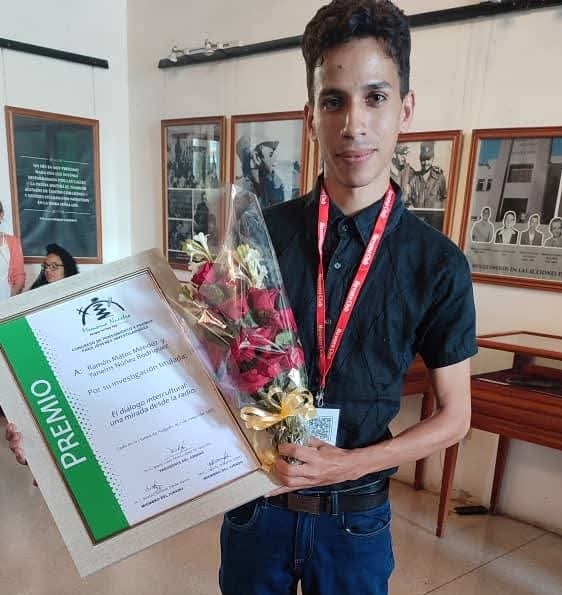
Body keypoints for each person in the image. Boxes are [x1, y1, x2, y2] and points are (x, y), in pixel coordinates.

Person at [7, 2, 476, 594]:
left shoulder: (437, 265)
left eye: (375, 97)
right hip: (257, 512)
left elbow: (455, 417)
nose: (354, 124)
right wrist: (48, 431)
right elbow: (183, 368)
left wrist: (350, 462)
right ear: (311, 115)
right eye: (334, 101)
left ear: (405, 109)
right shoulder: (257, 236)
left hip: (354, 521)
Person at [409, 141, 447, 209]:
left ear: (433, 158)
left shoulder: (440, 178)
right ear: (420, 159)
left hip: (434, 215)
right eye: (423, 159)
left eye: (428, 159)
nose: (426, 163)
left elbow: (445, 199)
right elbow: (409, 201)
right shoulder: (414, 179)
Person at [0, 200, 25, 299]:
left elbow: (19, 276)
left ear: (1, 215)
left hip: (6, 300)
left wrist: (11, 298)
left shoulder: (13, 242)